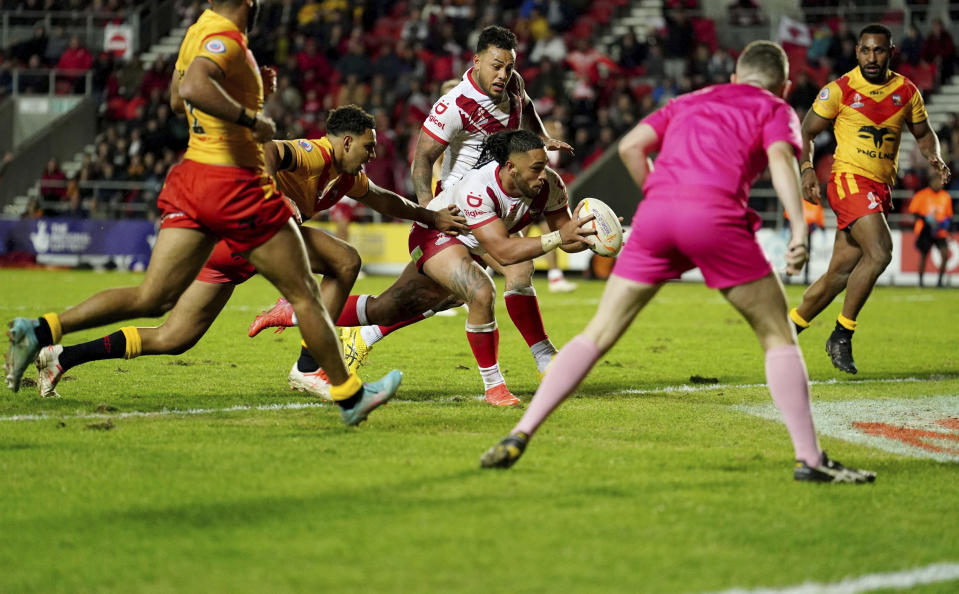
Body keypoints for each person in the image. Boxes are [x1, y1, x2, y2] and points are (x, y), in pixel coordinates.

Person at [479, 41, 877, 484]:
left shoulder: (691, 100)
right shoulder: (774, 107)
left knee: (598, 335)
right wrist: (799, 231)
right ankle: (810, 458)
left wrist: (660, 195)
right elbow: (782, 159)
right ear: (783, 86)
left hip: (657, 218)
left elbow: (631, 147)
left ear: (732, 77)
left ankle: (521, 432)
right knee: (776, 333)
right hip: (717, 218)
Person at [7, 0, 401, 426]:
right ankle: (342, 390)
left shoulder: (197, 33)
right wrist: (253, 117)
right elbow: (196, 88)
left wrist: (249, 94)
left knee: (159, 309)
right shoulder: (224, 38)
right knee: (316, 284)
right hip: (231, 186)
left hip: (194, 180)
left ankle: (45, 334)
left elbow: (178, 98)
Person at [33, 106, 467, 402]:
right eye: (369, 147)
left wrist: (432, 219)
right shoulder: (316, 154)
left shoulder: (346, 179)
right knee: (345, 260)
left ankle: (62, 358)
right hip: (245, 237)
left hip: (233, 253)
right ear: (347, 140)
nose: (373, 155)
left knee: (173, 337)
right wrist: (280, 203)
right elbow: (269, 153)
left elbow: (389, 202)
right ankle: (309, 365)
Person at [251, 26, 577, 377]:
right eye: (496, 66)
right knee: (465, 285)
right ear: (477, 60)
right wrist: (429, 212)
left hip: (494, 199)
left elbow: (526, 106)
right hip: (460, 209)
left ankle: (542, 355)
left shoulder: (513, 84)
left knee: (437, 295)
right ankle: (523, 367)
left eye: (509, 67)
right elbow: (421, 159)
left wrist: (541, 136)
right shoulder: (454, 105)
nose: (503, 74)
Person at [789, 24, 950, 375]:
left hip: (880, 188)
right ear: (857, 51)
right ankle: (842, 335)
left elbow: (924, 134)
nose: (871, 57)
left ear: (891, 50)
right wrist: (806, 169)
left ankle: (786, 331)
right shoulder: (840, 91)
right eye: (865, 50)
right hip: (848, 180)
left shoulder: (906, 92)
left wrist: (934, 156)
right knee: (881, 252)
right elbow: (806, 131)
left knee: (839, 273)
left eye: (878, 51)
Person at [407, 129, 594, 405]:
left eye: (545, 166)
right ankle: (494, 385)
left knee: (520, 272)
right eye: (536, 168)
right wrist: (558, 237)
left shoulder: (549, 184)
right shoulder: (479, 188)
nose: (543, 174)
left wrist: (593, 236)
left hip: (482, 236)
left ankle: (545, 356)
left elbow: (567, 238)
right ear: (511, 168)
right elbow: (504, 252)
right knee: (479, 292)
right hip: (439, 233)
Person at [908, 173, 953, 287]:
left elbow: (948, 215)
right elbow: (913, 212)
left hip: (940, 231)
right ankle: (921, 282)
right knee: (923, 255)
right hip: (925, 230)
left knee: (945, 254)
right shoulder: (922, 195)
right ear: (931, 183)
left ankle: (939, 282)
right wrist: (926, 219)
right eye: (936, 182)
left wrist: (945, 225)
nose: (938, 184)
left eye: (940, 182)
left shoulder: (946, 197)